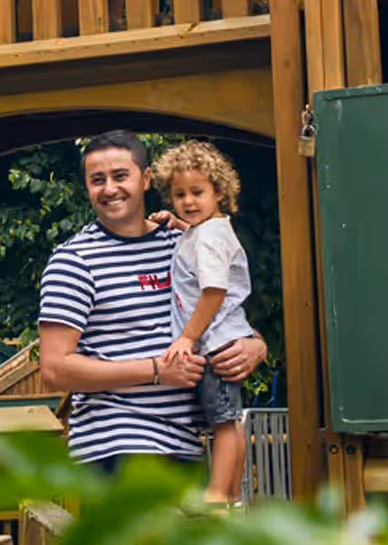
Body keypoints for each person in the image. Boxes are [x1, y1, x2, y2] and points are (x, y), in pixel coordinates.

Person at [37, 130, 266, 481]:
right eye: (97, 180)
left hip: (184, 442)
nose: (109, 188)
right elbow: (55, 369)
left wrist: (254, 345)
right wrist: (156, 371)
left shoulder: (184, 242)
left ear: (145, 180)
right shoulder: (74, 260)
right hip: (118, 442)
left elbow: (222, 307)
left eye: (120, 176)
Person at [150, 141, 257, 507]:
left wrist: (186, 337)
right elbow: (196, 242)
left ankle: (214, 497)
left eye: (198, 192)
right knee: (232, 420)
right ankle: (231, 495)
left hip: (215, 344)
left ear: (220, 192)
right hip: (229, 337)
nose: (189, 202)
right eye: (180, 195)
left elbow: (213, 291)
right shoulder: (208, 230)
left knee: (222, 425)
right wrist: (178, 225)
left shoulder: (208, 238)